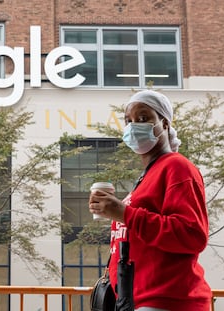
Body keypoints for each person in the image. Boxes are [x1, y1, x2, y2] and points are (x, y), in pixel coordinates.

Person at [89, 90, 212, 311]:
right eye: (129, 120)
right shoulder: (147, 176)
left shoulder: (177, 167)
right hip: (136, 302)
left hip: (168, 301)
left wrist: (124, 213)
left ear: (164, 123)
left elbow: (192, 234)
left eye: (144, 118)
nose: (134, 125)